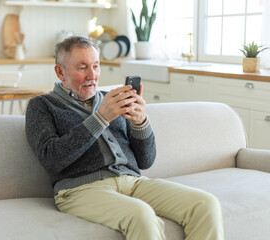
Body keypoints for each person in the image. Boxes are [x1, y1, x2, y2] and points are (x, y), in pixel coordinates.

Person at [25, 35, 224, 240]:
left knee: (205, 205)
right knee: (142, 215)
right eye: (82, 67)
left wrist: (141, 122)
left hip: (133, 181)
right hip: (80, 189)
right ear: (60, 71)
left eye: (96, 66)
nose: (91, 75)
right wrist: (101, 118)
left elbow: (146, 160)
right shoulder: (42, 106)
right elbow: (51, 158)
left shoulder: (112, 99)